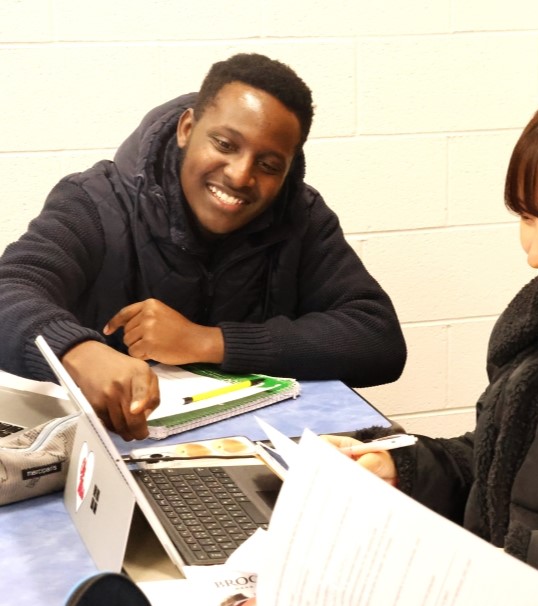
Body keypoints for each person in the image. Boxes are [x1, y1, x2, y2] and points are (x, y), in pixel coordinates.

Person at [326, 78, 538, 606]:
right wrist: (401, 468)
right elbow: (500, 465)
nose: (535, 253)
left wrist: (516, 560)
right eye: (526, 218)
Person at [0, 53, 406, 441]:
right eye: (225, 144)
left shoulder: (301, 216)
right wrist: (78, 352)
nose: (241, 175)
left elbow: (377, 338)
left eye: (268, 165)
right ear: (187, 128)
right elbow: (10, 289)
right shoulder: (95, 200)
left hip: (253, 450)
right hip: (115, 454)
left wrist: (208, 341)